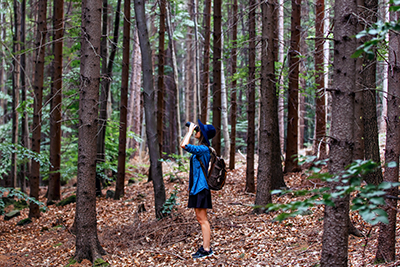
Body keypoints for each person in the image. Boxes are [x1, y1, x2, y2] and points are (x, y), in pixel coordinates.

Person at [180, 119, 216, 259]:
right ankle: (206, 247)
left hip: (201, 188)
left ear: (203, 135)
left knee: (203, 220)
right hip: (197, 188)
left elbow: (184, 145)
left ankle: (207, 249)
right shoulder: (202, 150)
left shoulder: (204, 149)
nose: (196, 131)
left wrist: (189, 131)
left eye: (198, 130)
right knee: (201, 219)